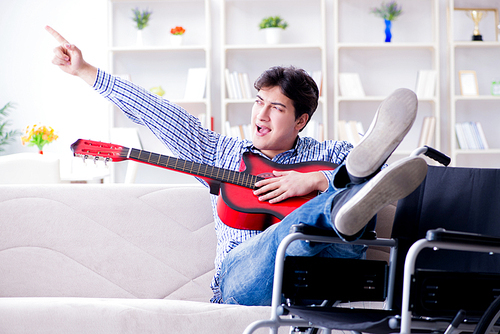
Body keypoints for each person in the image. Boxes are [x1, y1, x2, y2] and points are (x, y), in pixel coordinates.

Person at [46, 26, 428, 306]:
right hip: (245, 282)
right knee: (292, 232)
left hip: (329, 277)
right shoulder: (220, 152)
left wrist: (317, 178)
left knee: (354, 181)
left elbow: (370, 173)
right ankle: (335, 209)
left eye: (276, 107)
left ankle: (344, 200)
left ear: (300, 121)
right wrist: (85, 70)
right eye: (258, 102)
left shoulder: (332, 150)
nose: (261, 114)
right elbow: (158, 114)